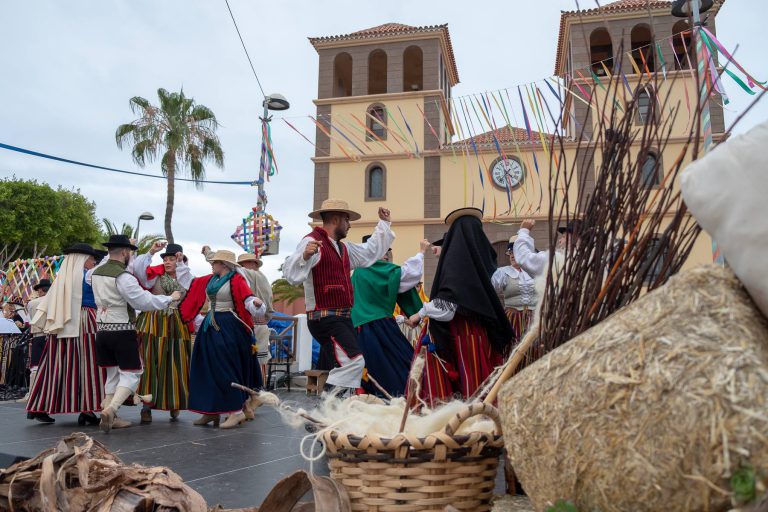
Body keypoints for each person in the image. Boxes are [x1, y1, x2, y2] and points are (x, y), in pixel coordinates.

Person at [283, 199, 394, 395]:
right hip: (324, 318)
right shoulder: (311, 241)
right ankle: (325, 407)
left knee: (343, 364)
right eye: (347, 220)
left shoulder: (343, 248)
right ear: (335, 219)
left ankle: (329, 412)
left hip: (341, 319)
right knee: (354, 361)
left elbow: (369, 252)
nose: (349, 224)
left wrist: (384, 224)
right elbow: (291, 274)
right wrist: (305, 257)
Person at [406, 208, 513, 403]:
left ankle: (460, 422)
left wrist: (419, 314)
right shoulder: (482, 261)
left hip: (460, 334)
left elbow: (447, 307)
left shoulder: (456, 262)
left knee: (466, 380)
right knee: (477, 380)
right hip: (478, 333)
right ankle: (480, 417)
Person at [90, 235, 182, 433]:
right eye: (130, 252)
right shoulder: (122, 276)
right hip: (121, 330)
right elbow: (142, 301)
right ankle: (111, 409)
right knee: (132, 374)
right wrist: (169, 298)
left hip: (102, 330)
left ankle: (109, 414)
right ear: (124, 252)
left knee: (112, 373)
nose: (130, 256)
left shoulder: (95, 273)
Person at [179, 249, 266, 429]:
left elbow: (247, 298)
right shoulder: (212, 279)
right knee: (205, 367)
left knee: (223, 367)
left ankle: (235, 412)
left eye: (215, 262)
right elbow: (190, 282)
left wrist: (255, 303)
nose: (212, 264)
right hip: (210, 325)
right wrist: (180, 263)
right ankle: (210, 411)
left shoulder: (236, 279)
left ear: (224, 265)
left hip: (228, 325)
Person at [27, 243, 104, 425]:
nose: (94, 261)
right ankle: (87, 408)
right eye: (92, 258)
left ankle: (39, 406)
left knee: (56, 366)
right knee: (88, 365)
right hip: (85, 320)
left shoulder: (62, 277)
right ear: (83, 259)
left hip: (63, 322)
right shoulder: (88, 276)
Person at [350, 237, 426, 397]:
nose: (386, 255)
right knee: (403, 364)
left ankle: (376, 401)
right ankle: (405, 399)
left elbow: (399, 285)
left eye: (388, 252)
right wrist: (421, 253)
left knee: (374, 369)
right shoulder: (375, 268)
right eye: (383, 251)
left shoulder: (358, 271)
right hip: (378, 326)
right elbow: (407, 276)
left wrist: (415, 314)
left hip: (359, 329)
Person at [131, 242, 193, 424]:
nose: (167, 262)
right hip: (153, 321)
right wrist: (151, 251)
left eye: (171, 259)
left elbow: (191, 290)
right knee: (151, 361)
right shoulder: (154, 275)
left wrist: (182, 265)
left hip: (177, 323)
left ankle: (175, 403)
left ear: (179, 259)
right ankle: (146, 407)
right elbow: (139, 272)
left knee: (177, 362)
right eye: (165, 259)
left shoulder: (186, 276)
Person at [491, 237, 537, 346]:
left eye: (515, 252)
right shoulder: (502, 272)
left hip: (535, 318)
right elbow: (489, 289)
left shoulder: (536, 271)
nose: (511, 255)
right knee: (514, 346)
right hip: (513, 318)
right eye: (510, 253)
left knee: (534, 347)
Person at [19, 280, 51, 406]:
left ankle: (33, 393)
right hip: (52, 336)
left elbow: (30, 319)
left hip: (38, 336)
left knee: (36, 367)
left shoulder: (32, 303)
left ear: (40, 291)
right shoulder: (55, 301)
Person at [513, 218, 581, 277]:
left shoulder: (556, 259)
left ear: (574, 240)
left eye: (563, 237)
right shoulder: (585, 259)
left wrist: (524, 231)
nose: (560, 240)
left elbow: (525, 259)